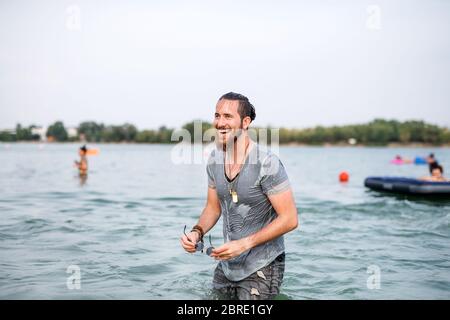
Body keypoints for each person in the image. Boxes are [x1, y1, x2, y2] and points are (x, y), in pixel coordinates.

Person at [180, 92, 298, 300]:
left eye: (227, 116)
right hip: (227, 265)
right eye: (217, 116)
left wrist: (244, 244)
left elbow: (290, 219)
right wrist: (196, 232)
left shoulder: (267, 163)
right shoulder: (215, 160)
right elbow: (213, 208)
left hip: (263, 265)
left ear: (245, 122)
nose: (220, 123)